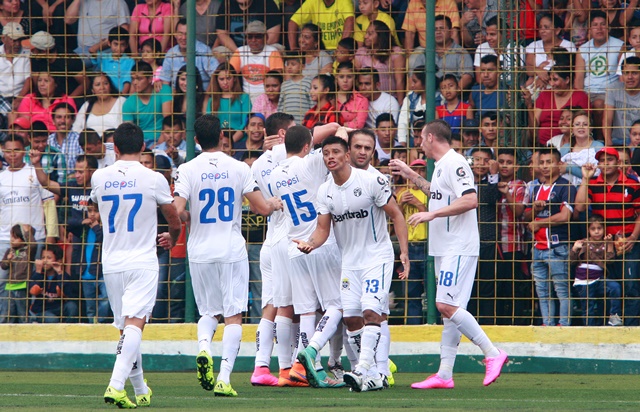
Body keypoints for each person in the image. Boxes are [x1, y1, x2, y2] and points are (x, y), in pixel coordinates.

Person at [389, 119, 508, 389]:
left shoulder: (456, 163)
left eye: (421, 137)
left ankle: (492, 352)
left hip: (458, 246)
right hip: (444, 247)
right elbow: (437, 193)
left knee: (445, 305)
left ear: (431, 137)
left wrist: (432, 213)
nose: (419, 143)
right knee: (450, 311)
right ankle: (444, 374)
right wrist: (410, 174)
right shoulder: (443, 166)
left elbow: (470, 199)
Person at [173, 114, 281, 396]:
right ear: (222, 136)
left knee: (208, 311)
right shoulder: (238, 167)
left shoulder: (186, 169)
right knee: (234, 315)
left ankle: (204, 348)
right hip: (231, 249)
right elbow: (260, 208)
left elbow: (178, 209)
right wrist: (274, 202)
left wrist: (186, 215)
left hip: (199, 250)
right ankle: (224, 377)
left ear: (196, 140)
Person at [294, 136, 409, 391]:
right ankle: (372, 377)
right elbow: (323, 230)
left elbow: (397, 215)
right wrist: (309, 244)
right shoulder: (325, 191)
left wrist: (404, 252)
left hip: (376, 257)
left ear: (346, 156)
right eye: (326, 153)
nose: (330, 157)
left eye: (335, 152)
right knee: (352, 320)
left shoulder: (372, 181)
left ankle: (362, 370)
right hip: (350, 262)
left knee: (371, 313)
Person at [94, 122, 180, 408]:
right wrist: (173, 236)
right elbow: (172, 216)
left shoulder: (98, 177)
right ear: (143, 147)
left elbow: (98, 205)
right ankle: (116, 385)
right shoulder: (153, 178)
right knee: (135, 325)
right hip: (142, 260)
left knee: (126, 329)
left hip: (112, 262)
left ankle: (141, 388)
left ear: (114, 148)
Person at [269, 125, 345, 389]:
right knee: (336, 305)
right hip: (319, 243)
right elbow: (338, 136)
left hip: (294, 245)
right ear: (307, 146)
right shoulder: (312, 164)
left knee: (305, 311)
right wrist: (341, 128)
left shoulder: (275, 173)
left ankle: (300, 368)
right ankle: (311, 353)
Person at [249, 112, 295, 387]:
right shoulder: (288, 157)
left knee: (271, 305)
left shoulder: (257, 164)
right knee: (291, 307)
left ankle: (261, 366)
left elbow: (258, 206)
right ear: (282, 135)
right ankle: (288, 368)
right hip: (288, 241)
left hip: (270, 240)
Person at [575, 147, 640, 326]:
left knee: (631, 286)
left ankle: (632, 328)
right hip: (600, 247)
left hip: (627, 244)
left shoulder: (633, 183)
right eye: (601, 160)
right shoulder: (593, 183)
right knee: (606, 287)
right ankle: (608, 327)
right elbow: (579, 207)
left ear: (618, 162)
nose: (605, 163)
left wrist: (633, 237)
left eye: (609, 159)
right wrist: (585, 178)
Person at [0, 134, 58, 323]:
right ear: (2, 151)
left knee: (30, 283)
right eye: (8, 151)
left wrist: (51, 235)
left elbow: (49, 204)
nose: (12, 155)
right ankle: (6, 322)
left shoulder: (35, 173)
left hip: (34, 240)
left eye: (16, 150)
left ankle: (28, 322)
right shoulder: (1, 177)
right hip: (4, 240)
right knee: (3, 283)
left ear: (24, 150)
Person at [525, 147, 576, 327]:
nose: (545, 166)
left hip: (557, 247)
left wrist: (540, 222)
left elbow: (565, 216)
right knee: (542, 291)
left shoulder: (566, 186)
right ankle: (547, 324)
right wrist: (535, 210)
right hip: (537, 248)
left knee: (561, 290)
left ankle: (563, 326)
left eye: (549, 162)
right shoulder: (535, 187)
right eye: (542, 163)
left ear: (559, 164)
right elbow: (526, 217)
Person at [569, 216, 622, 326]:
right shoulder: (583, 243)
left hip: (598, 279)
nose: (597, 232)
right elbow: (571, 261)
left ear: (604, 229)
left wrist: (610, 244)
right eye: (593, 229)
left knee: (615, 287)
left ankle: (614, 316)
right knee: (588, 308)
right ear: (588, 230)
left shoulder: (605, 243)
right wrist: (574, 248)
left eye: (599, 228)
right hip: (584, 281)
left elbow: (610, 260)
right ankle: (589, 329)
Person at [65, 0, 130, 69]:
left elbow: (124, 31)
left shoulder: (118, 2)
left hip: (107, 49)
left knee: (73, 64)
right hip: (82, 49)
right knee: (65, 63)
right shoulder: (82, 2)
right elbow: (68, 20)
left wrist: (100, 46)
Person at [229, 20, 284, 102]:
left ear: (266, 37)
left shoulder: (272, 52)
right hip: (245, 98)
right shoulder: (240, 51)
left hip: (268, 98)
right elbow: (229, 74)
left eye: (258, 37)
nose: (253, 40)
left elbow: (276, 79)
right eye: (250, 37)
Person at [123, 61, 173, 149]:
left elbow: (168, 122)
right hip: (141, 142)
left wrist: (159, 144)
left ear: (150, 79)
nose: (135, 82)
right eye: (133, 79)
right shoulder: (128, 103)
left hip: (165, 138)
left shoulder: (163, 90)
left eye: (139, 79)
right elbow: (128, 132)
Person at [159, 19, 218, 91]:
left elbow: (215, 75)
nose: (183, 38)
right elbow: (165, 82)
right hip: (177, 97)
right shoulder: (170, 53)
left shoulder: (204, 51)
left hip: (200, 95)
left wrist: (206, 97)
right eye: (180, 33)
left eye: (187, 34)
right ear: (175, 34)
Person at [203, 62, 252, 142]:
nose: (225, 82)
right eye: (221, 79)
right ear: (217, 80)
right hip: (218, 141)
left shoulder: (244, 98)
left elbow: (245, 123)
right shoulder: (212, 100)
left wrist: (230, 142)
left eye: (228, 78)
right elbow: (209, 124)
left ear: (235, 78)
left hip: (239, 141)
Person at [0, 224, 36, 323]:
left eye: (15, 238)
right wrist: (8, 260)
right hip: (9, 287)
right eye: (11, 237)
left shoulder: (28, 251)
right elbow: (3, 266)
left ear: (24, 239)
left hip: (22, 287)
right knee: (6, 315)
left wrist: (28, 232)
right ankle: (5, 336)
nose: (12, 240)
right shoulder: (9, 251)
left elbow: (33, 245)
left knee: (23, 315)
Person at [72, 73, 126, 138]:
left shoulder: (121, 102)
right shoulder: (87, 105)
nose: (102, 88)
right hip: (90, 145)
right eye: (98, 85)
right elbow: (76, 128)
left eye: (105, 83)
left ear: (110, 86)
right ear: (92, 90)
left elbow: (125, 128)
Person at [288, 0, 355, 51]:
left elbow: (350, 20)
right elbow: (293, 22)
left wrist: (341, 49)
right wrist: (293, 48)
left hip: (337, 50)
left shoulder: (344, 1)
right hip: (318, 50)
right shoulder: (312, 2)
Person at [603, 56, 640, 146]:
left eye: (634, 73)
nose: (630, 77)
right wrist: (609, 144)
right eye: (626, 73)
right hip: (617, 140)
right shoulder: (613, 89)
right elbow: (607, 120)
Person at [92, 26, 135, 95]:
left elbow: (127, 82)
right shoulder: (104, 58)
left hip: (120, 96)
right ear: (109, 43)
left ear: (126, 45)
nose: (118, 48)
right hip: (105, 95)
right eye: (115, 44)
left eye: (122, 45)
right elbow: (92, 50)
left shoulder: (129, 61)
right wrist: (104, 43)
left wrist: (121, 97)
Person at [0, 22, 30, 118]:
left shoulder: (26, 54)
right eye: (14, 40)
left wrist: (19, 98)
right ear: (3, 39)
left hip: (21, 96)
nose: (17, 44)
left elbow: (28, 79)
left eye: (19, 40)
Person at [278, 51, 312, 124]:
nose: (289, 67)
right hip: (287, 124)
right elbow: (281, 105)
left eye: (293, 64)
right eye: (287, 64)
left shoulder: (308, 83)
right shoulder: (284, 85)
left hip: (304, 123)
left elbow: (312, 104)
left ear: (302, 66)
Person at [335, 62, 368, 129]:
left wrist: (339, 125)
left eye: (349, 77)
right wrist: (349, 124)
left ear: (354, 78)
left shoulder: (361, 100)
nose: (345, 80)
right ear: (336, 78)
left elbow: (359, 125)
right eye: (341, 77)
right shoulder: (330, 97)